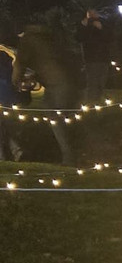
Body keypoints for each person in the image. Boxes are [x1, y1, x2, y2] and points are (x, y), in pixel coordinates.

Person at [12, 25, 79, 165]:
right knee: (54, 112)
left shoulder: (28, 40)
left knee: (56, 118)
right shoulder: (47, 37)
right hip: (68, 79)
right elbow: (48, 60)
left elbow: (20, 63)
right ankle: (64, 149)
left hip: (57, 83)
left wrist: (16, 82)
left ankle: (69, 157)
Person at [75, 8, 113, 103]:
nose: (92, 17)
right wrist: (83, 27)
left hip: (103, 58)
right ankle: (91, 102)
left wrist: (101, 28)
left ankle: (98, 100)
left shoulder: (104, 24)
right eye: (90, 15)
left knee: (101, 82)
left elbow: (110, 38)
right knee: (92, 82)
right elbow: (79, 38)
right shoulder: (84, 25)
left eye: (94, 14)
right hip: (91, 59)